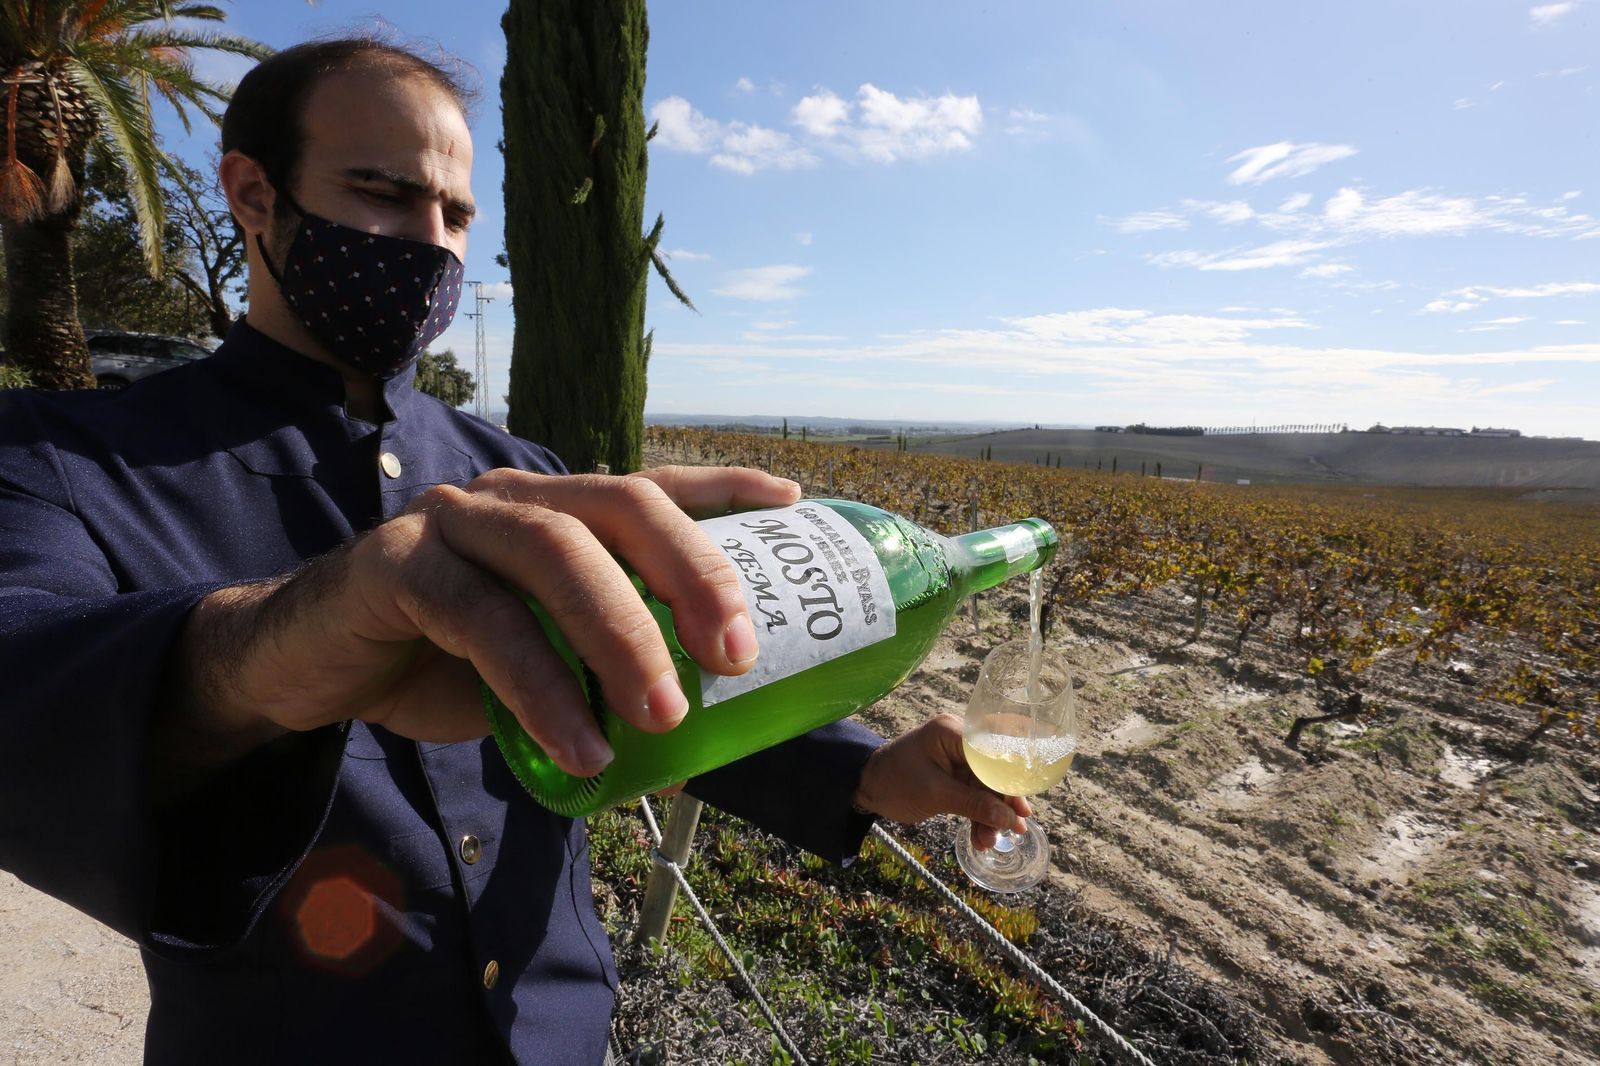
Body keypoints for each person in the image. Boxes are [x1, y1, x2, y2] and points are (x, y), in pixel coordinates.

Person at [0, 37, 1030, 1065]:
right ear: (253, 193)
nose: (431, 244)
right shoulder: (65, 460)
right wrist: (276, 645)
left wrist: (864, 773)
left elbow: (646, 682)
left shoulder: (520, 468)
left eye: (455, 217)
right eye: (382, 192)